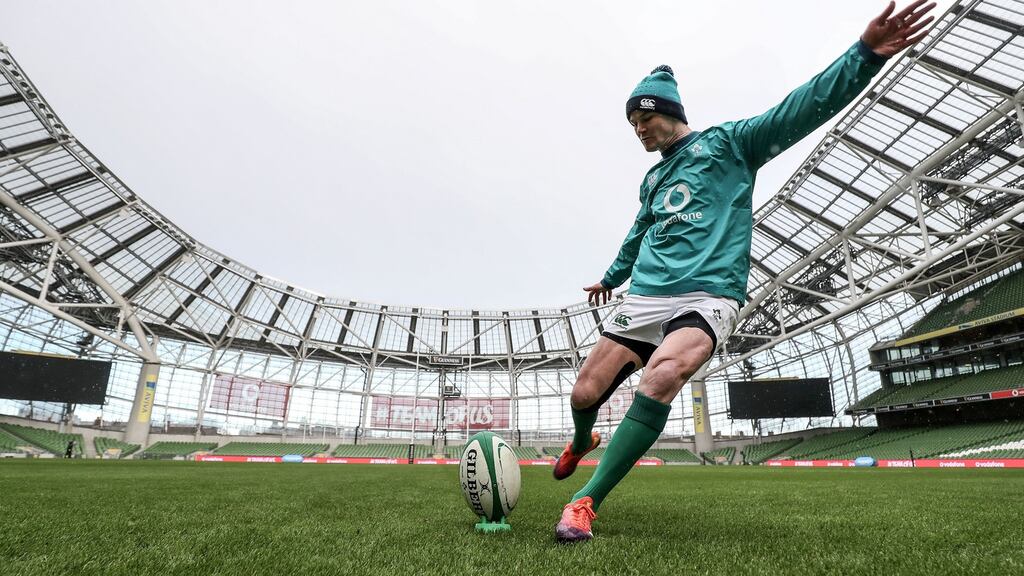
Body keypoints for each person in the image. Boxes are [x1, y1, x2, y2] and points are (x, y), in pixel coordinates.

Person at [553, 1, 936, 543]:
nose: (640, 130)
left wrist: (864, 55)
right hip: (647, 294)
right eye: (633, 124)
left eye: (646, 118)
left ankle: (584, 501)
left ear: (671, 110)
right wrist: (613, 276)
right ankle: (581, 438)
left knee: (663, 376)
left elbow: (799, 108)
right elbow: (640, 231)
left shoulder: (730, 144)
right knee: (584, 393)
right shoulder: (652, 180)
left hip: (708, 293)